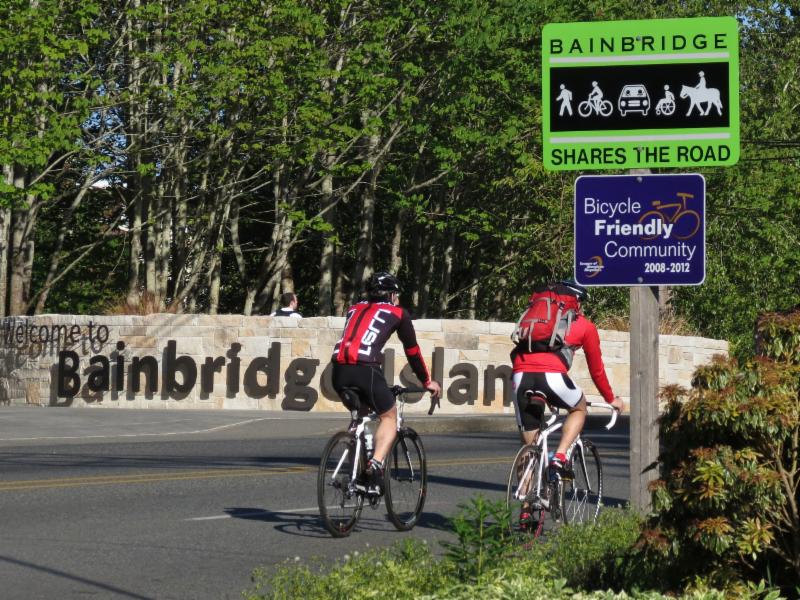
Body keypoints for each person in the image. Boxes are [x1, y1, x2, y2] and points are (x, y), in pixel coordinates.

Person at [510, 280, 623, 525]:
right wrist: (610, 398)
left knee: (529, 447)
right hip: (553, 377)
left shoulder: (534, 320)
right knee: (578, 408)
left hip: (520, 375)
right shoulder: (584, 325)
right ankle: (559, 457)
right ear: (577, 302)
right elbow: (597, 370)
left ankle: (526, 510)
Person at [331, 272, 442, 495]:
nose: (398, 299)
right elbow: (412, 351)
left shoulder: (353, 309)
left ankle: (356, 474)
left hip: (338, 371)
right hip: (366, 370)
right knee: (389, 416)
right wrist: (427, 381)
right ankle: (375, 465)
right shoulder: (398, 313)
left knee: (360, 418)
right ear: (391, 295)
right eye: (396, 295)